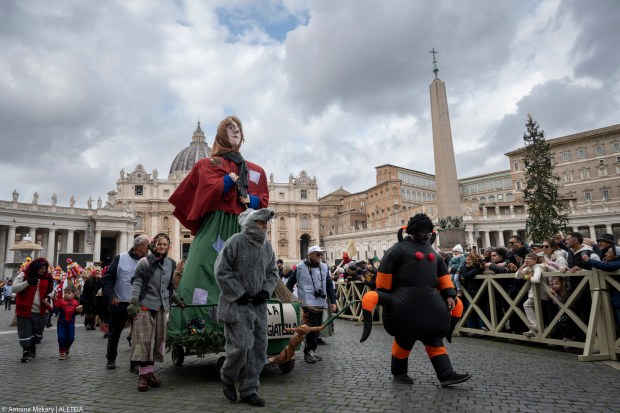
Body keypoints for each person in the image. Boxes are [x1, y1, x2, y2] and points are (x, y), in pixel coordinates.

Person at [168, 115, 269, 336]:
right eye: (230, 128)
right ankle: (198, 330)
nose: (235, 131)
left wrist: (251, 201)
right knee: (201, 269)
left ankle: (251, 326)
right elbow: (198, 195)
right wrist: (222, 185)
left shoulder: (256, 171)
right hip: (216, 226)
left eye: (239, 129)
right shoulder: (207, 164)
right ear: (222, 134)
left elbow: (263, 200)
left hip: (245, 227)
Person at [359, 213, 470, 386]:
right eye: (422, 232)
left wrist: (449, 294)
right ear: (412, 231)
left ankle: (446, 374)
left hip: (430, 307)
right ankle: (399, 372)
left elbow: (442, 274)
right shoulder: (398, 249)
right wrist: (385, 295)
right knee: (404, 340)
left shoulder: (431, 250)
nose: (425, 235)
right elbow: (384, 274)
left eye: (428, 231)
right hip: (405, 307)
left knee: (434, 341)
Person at [215, 208, 279, 407]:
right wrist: (238, 293)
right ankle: (227, 377)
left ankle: (249, 389)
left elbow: (272, 272)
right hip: (236, 304)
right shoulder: (235, 241)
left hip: (258, 306)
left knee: (259, 349)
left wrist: (265, 292)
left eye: (265, 224)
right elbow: (222, 270)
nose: (264, 227)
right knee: (240, 347)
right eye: (261, 223)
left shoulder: (267, 247)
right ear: (252, 224)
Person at [127, 233, 185, 392]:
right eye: (159, 244)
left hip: (161, 308)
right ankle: (142, 376)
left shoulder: (170, 263)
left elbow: (169, 289)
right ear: (153, 245)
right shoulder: (144, 262)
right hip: (145, 307)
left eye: (165, 245)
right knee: (143, 341)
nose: (162, 247)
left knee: (157, 341)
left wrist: (177, 300)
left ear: (168, 247)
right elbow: (137, 283)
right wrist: (133, 302)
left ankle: (150, 373)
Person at [101, 235, 150, 371]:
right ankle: (111, 359)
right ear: (139, 246)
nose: (149, 249)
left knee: (137, 334)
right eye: (147, 246)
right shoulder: (120, 258)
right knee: (114, 333)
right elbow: (107, 278)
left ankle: (135, 363)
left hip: (139, 303)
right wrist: (111, 295)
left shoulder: (146, 261)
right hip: (120, 302)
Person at [286, 245, 337, 364]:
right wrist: (287, 297)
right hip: (307, 302)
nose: (320, 256)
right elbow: (290, 282)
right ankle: (308, 351)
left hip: (320, 302)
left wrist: (333, 301)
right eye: (317, 254)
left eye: (321, 254)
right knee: (311, 327)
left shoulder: (324, 267)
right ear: (310, 255)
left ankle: (312, 350)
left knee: (318, 327)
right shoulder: (300, 267)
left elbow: (329, 285)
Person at [12, 257, 54, 362]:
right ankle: (26, 352)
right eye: (41, 268)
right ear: (35, 267)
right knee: (25, 331)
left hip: (41, 310)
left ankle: (32, 346)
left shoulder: (47, 277)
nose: (43, 271)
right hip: (25, 309)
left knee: (37, 331)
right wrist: (27, 282)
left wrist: (49, 296)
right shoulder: (24, 275)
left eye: (44, 268)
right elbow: (14, 288)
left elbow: (51, 290)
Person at [515, 253, 553, 337]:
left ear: (535, 260)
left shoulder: (538, 267)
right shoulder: (529, 268)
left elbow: (535, 279)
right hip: (534, 294)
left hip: (541, 293)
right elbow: (517, 276)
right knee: (539, 313)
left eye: (529, 259)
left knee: (528, 305)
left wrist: (529, 277)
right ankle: (535, 328)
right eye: (525, 259)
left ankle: (536, 327)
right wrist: (522, 267)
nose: (526, 260)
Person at [53, 285, 83, 359]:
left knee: (71, 338)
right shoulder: (61, 301)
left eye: (68, 293)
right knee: (61, 337)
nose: (66, 294)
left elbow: (76, 312)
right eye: (65, 293)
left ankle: (67, 347)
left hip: (70, 323)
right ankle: (62, 351)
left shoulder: (76, 302)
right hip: (61, 323)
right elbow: (54, 310)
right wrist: (53, 302)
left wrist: (79, 311)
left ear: (73, 294)